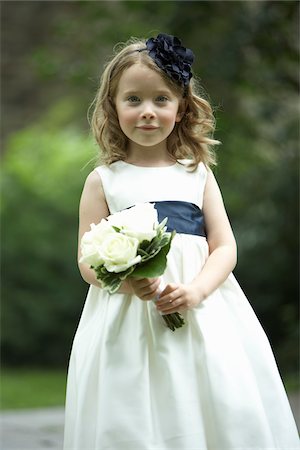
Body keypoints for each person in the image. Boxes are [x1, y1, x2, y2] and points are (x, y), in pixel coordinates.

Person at [63, 33, 299, 449]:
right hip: (127, 320)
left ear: (181, 107)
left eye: (161, 100)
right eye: (133, 100)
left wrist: (195, 290)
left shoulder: (197, 175)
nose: (148, 112)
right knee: (134, 404)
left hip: (201, 312)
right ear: (112, 107)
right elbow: (87, 260)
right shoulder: (104, 182)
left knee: (206, 391)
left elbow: (224, 247)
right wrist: (123, 279)